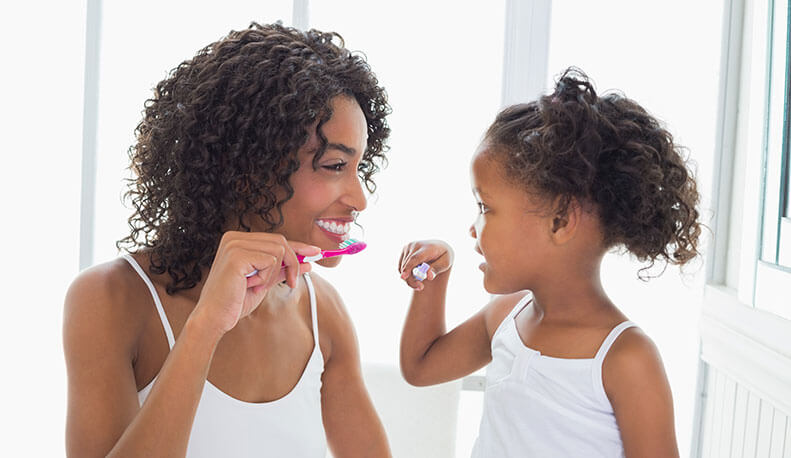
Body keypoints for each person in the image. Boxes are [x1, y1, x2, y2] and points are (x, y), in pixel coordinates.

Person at [63, 22, 392, 457]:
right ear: (249, 169)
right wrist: (206, 325)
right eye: (333, 166)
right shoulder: (110, 298)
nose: (359, 199)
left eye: (358, 168)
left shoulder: (322, 311)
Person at [397, 68, 700, 457]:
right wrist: (435, 278)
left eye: (485, 208)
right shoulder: (506, 315)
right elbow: (421, 367)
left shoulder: (627, 358)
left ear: (559, 222)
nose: (473, 228)